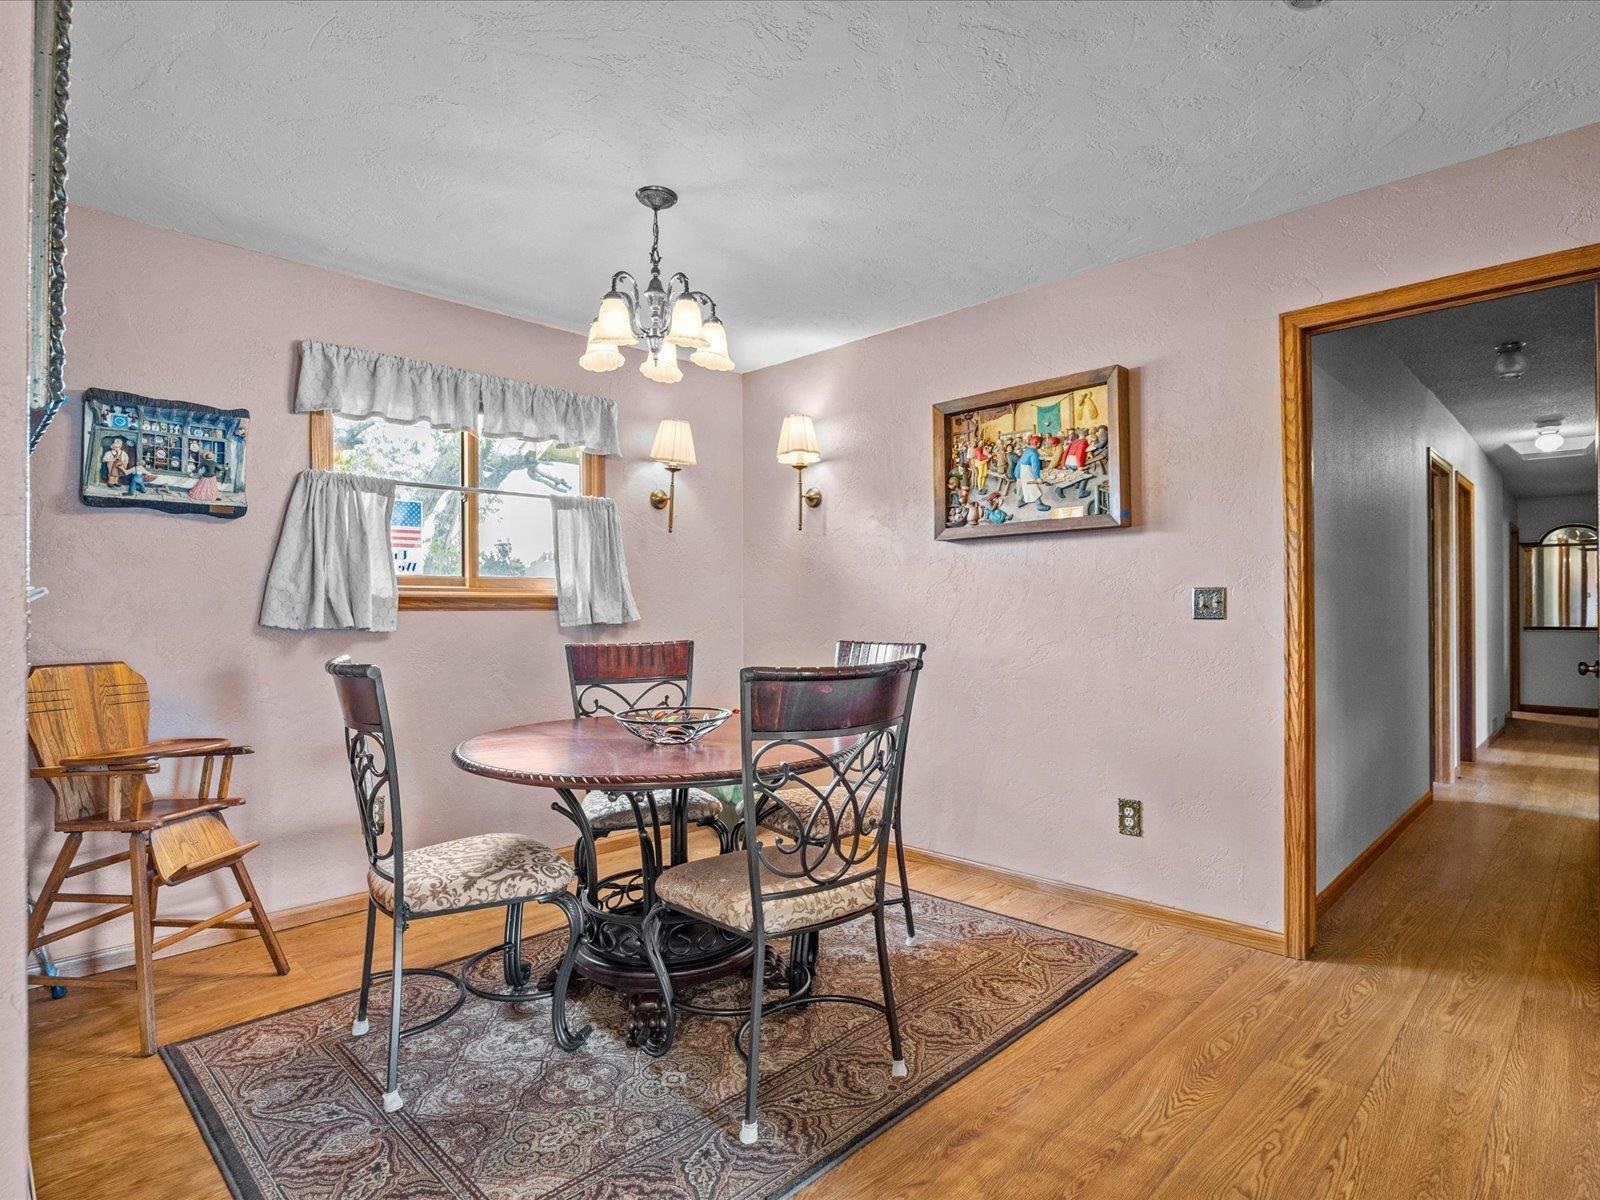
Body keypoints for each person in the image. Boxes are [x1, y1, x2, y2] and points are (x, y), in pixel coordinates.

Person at [1013, 433, 1048, 512]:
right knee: (1032, 487)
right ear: (1037, 443)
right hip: (1025, 470)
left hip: (1019, 469)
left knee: (1023, 486)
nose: (1041, 444)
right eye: (1040, 443)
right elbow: (1035, 466)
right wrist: (1037, 477)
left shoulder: (1028, 449)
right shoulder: (1034, 453)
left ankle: (1020, 501)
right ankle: (1039, 505)